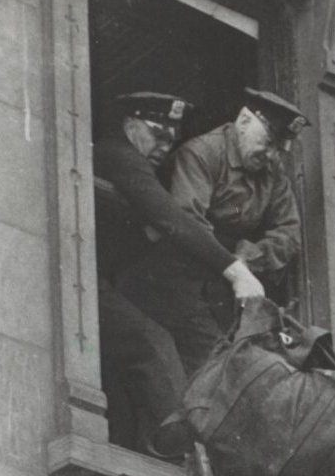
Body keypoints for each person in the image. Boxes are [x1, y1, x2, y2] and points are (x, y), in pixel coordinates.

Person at [93, 91, 264, 455]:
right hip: (91, 284)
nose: (166, 146)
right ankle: (182, 454)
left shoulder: (134, 162)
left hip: (111, 282)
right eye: (159, 133)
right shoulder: (117, 153)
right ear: (131, 126)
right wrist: (234, 270)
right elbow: (170, 218)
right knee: (153, 343)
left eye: (173, 138)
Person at [116, 88, 310, 378]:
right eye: (267, 143)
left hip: (226, 289)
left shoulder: (273, 173)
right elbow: (189, 222)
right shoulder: (201, 152)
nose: (270, 156)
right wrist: (232, 266)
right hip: (173, 281)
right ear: (244, 122)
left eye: (278, 150)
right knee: (211, 371)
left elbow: (289, 233)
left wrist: (249, 257)